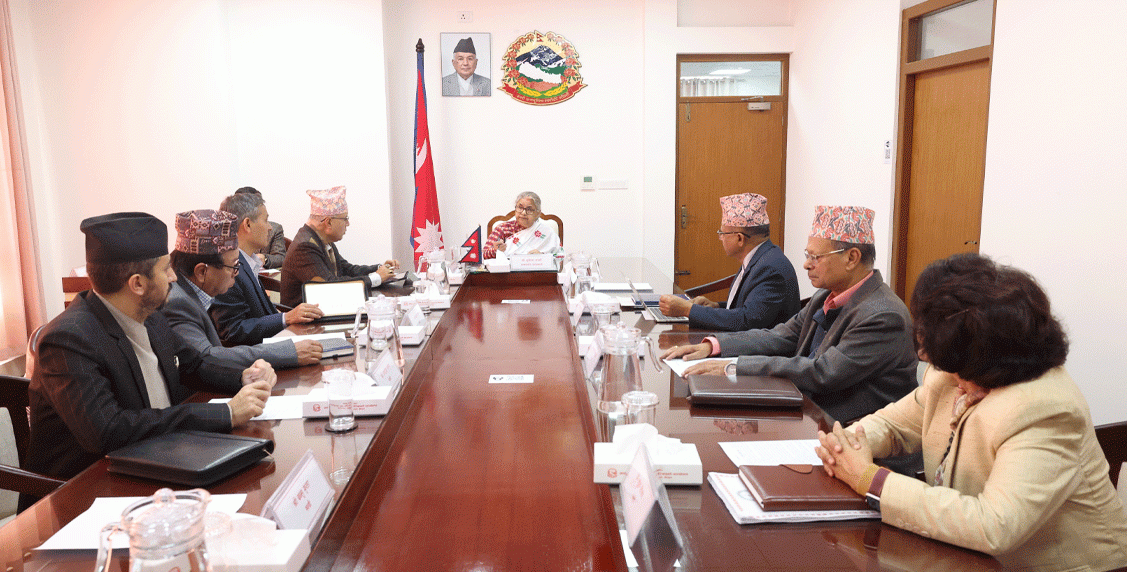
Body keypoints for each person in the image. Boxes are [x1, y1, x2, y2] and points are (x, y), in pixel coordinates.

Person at [816, 253, 1127, 571]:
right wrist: (848, 445)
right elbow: (894, 424)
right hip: (961, 555)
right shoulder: (953, 374)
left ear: (992, 354)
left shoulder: (1045, 410)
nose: (953, 379)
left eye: (959, 367)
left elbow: (994, 526)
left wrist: (870, 479)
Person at [24, 212, 275, 488]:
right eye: (166, 269)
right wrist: (225, 413)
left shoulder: (151, 315)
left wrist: (243, 376)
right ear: (138, 284)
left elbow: (193, 365)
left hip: (160, 460)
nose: (174, 277)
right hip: (87, 487)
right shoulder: (68, 340)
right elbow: (108, 431)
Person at [662, 205, 917, 424]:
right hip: (807, 411)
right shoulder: (824, 296)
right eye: (807, 255)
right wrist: (714, 346)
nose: (806, 264)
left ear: (852, 258)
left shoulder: (883, 315)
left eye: (815, 257)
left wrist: (734, 366)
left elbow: (823, 372)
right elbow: (782, 335)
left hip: (851, 434)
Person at [162, 209, 322, 368]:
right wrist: (287, 352)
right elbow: (207, 357)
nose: (237, 273)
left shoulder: (192, 289)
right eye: (234, 266)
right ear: (202, 272)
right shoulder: (177, 302)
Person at [658, 193, 800, 331]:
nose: (720, 238)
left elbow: (747, 321)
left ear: (739, 238)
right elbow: (749, 308)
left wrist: (688, 310)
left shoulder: (770, 269)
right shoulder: (761, 258)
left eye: (722, 233)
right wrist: (715, 306)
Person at [210, 191, 324, 346]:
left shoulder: (247, 262)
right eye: (266, 220)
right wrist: (286, 318)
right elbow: (233, 331)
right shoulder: (229, 269)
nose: (270, 227)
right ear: (247, 224)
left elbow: (263, 314)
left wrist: (289, 316)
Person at [280, 186, 399, 307]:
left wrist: (379, 268)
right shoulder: (304, 247)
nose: (348, 223)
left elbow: (346, 269)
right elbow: (330, 286)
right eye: (345, 219)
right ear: (328, 222)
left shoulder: (321, 239)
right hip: (305, 317)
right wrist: (376, 278)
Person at [483, 191, 561, 259]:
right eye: (520, 208)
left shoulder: (547, 232)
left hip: (538, 271)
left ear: (538, 213)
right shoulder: (503, 228)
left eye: (529, 209)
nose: (523, 213)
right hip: (507, 271)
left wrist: (542, 257)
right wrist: (496, 250)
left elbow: (559, 258)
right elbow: (484, 255)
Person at [234, 186, 287, 269]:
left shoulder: (274, 229)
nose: (269, 227)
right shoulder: (226, 233)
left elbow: (281, 258)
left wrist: (265, 258)